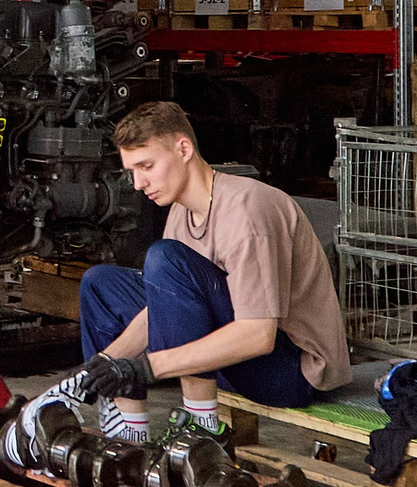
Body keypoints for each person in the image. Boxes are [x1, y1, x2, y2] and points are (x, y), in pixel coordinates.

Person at [36, 100, 348, 443]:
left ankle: (199, 430)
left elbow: (259, 335)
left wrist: (146, 367)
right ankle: (128, 434)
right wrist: (100, 366)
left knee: (164, 259)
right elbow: (163, 305)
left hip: (290, 370)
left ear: (183, 148)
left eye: (147, 166)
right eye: (132, 172)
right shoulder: (181, 212)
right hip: (233, 362)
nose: (139, 183)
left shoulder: (247, 212)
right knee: (101, 284)